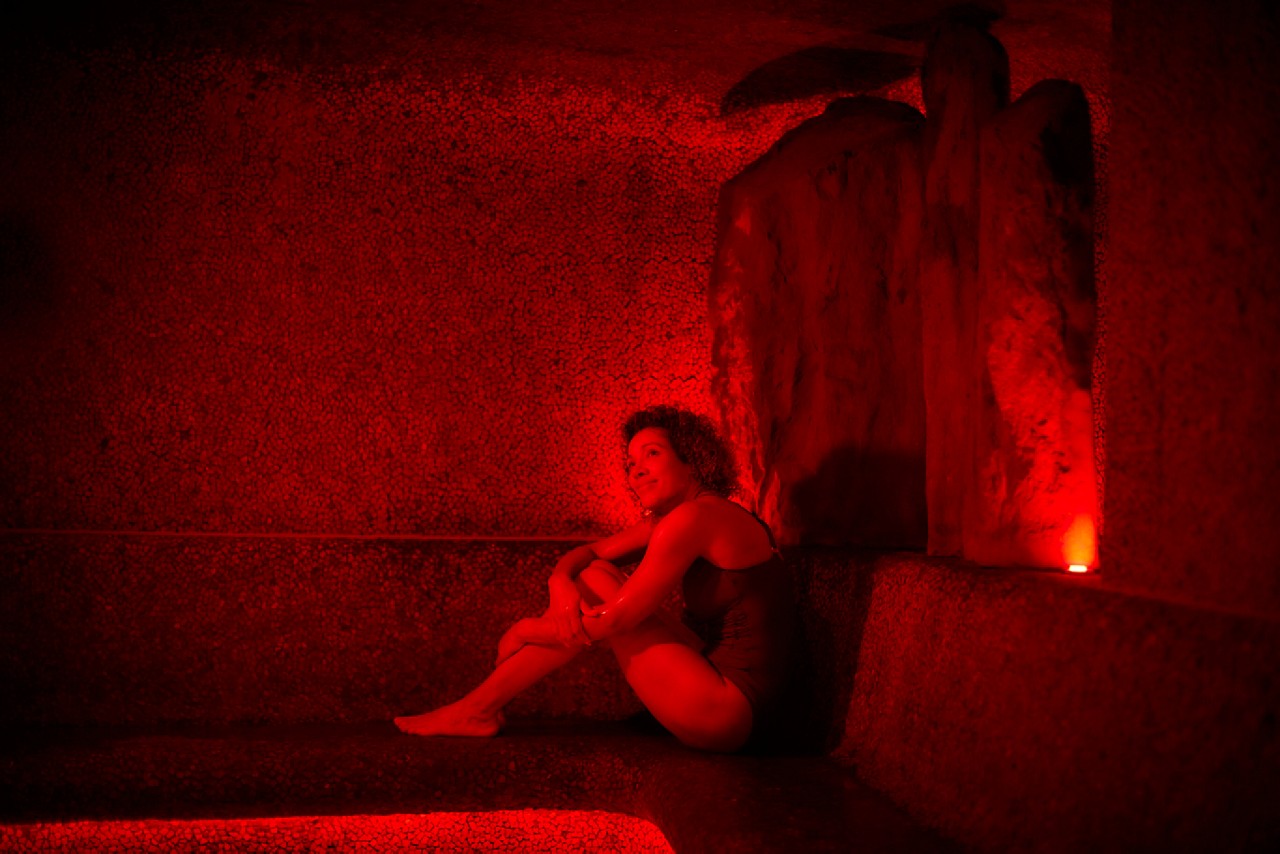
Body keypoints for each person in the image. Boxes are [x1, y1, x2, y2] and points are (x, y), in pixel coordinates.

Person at [394, 405, 796, 753]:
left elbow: (617, 620)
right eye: (631, 463)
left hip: (730, 711)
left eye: (652, 454)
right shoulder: (691, 515)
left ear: (692, 459)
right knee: (592, 574)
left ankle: (476, 708)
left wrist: (525, 629)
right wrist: (558, 583)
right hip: (737, 698)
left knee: (594, 585)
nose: (637, 470)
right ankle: (477, 708)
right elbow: (589, 554)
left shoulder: (695, 518)